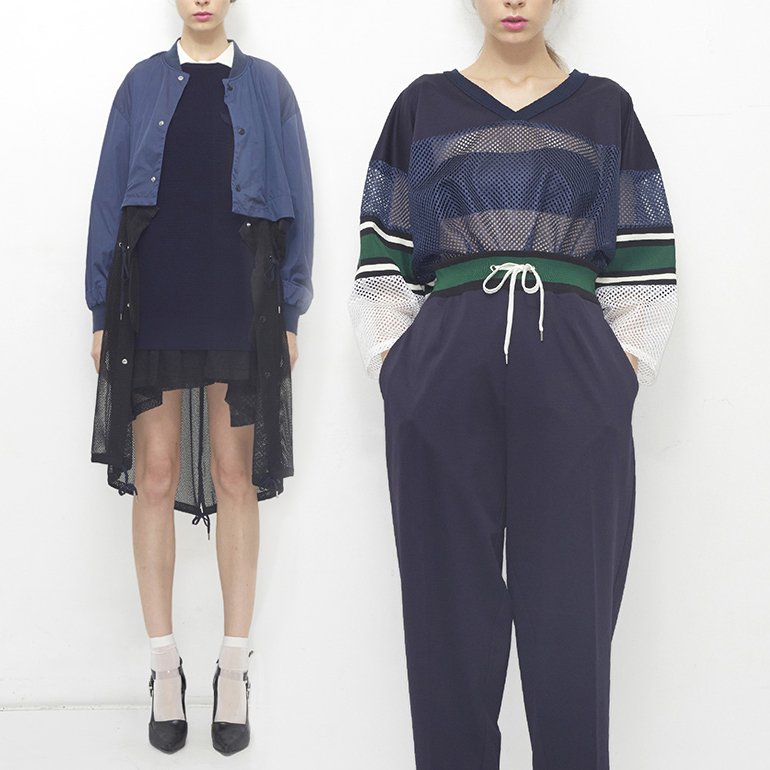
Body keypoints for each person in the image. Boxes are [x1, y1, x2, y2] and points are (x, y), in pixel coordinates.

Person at [348, 1, 676, 768]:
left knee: (572, 619)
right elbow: (382, 258)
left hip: (573, 368)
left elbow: (646, 263)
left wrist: (615, 376)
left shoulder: (605, 109)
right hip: (442, 365)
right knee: (446, 618)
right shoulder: (422, 106)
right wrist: (399, 369)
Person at [85, 0, 313, 755]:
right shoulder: (140, 84)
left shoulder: (268, 86)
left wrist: (290, 309)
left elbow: (298, 203)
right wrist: (100, 309)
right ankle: (163, 666)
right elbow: (109, 196)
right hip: (154, 293)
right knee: (154, 476)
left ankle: (235, 666)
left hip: (238, 294)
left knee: (233, 475)